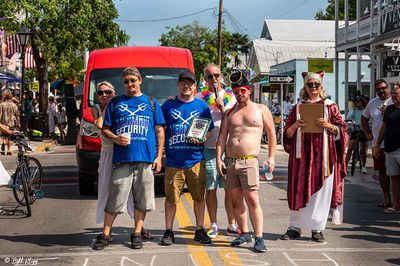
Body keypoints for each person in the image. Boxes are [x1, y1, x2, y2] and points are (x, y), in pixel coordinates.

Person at [93, 67, 165, 250]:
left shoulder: (152, 102)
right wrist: (116, 138)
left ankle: (137, 233)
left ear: (140, 80)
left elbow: (159, 131)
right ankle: (106, 234)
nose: (130, 84)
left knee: (142, 199)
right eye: (126, 81)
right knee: (115, 198)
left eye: (133, 80)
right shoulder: (115, 102)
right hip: (122, 158)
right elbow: (105, 128)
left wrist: (158, 157)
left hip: (145, 158)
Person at [280, 71, 347, 243]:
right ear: (305, 87)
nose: (313, 88)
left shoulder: (330, 107)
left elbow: (342, 131)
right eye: (310, 84)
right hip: (300, 158)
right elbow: (287, 134)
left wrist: (329, 126)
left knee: (321, 192)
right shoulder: (297, 108)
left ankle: (317, 228)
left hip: (323, 157)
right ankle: (295, 227)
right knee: (298, 189)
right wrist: (295, 125)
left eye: (316, 84)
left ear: (321, 86)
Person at [216, 69, 276, 253]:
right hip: (231, 162)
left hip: (249, 161)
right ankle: (245, 233)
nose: (240, 94)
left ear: (249, 90)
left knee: (252, 199)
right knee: (235, 201)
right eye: (236, 91)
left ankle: (259, 237)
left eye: (242, 90)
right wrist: (219, 158)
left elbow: (272, 134)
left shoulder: (261, 109)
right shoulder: (229, 113)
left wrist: (271, 158)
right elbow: (222, 137)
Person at [160, 70, 214, 246]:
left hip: (195, 159)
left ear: (194, 86)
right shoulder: (168, 106)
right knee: (171, 199)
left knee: (199, 197)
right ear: (178, 85)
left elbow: (209, 131)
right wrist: (159, 153)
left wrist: (200, 138)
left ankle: (199, 229)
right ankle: (169, 230)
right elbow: (160, 128)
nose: (186, 86)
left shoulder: (201, 107)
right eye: (183, 83)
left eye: (189, 83)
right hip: (174, 161)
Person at [195, 63, 240, 239]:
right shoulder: (199, 97)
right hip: (208, 149)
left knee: (230, 188)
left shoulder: (231, 96)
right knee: (211, 187)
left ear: (221, 76)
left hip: (228, 149)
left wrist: (223, 109)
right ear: (205, 78)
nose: (214, 79)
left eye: (217, 75)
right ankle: (213, 223)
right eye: (209, 76)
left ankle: (231, 224)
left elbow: (236, 120)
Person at [361, 79, 392, 208]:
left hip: (393, 144)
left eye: (384, 88)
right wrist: (368, 134)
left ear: (388, 88)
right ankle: (386, 198)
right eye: (378, 89)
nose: (381, 91)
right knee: (382, 172)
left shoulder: (394, 100)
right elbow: (364, 119)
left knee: (396, 174)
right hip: (377, 145)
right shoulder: (372, 103)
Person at [374, 82, 400, 213]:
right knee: (394, 178)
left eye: (397, 94)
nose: (394, 96)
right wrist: (378, 143)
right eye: (394, 94)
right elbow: (384, 126)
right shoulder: (390, 109)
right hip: (390, 149)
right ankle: (396, 206)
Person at [345, 96, 368, 174]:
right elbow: (348, 117)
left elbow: (370, 118)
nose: (355, 103)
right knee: (350, 148)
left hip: (364, 130)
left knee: (364, 149)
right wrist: (352, 109)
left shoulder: (366, 110)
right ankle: (345, 167)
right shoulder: (354, 110)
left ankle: (364, 166)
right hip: (356, 129)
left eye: (356, 101)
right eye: (354, 102)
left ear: (361, 102)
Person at [0, 89, 19, 155]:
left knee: (4, 136)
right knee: (10, 137)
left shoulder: (2, 105)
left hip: (3, 123)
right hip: (11, 123)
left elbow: (0, 114)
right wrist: (18, 123)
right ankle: (8, 150)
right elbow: (17, 115)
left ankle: (3, 144)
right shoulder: (14, 105)